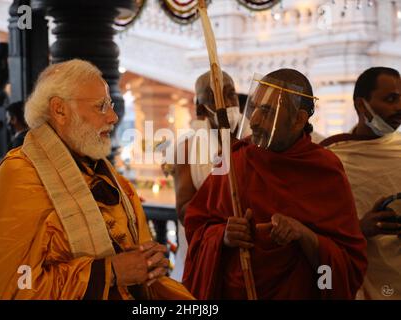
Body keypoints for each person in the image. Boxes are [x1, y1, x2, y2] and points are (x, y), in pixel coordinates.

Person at [0, 59, 194, 300]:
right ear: (59, 109)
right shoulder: (22, 174)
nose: (113, 117)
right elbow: (13, 286)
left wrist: (148, 261)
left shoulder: (108, 177)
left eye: (110, 104)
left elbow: (133, 252)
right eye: (101, 106)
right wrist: (109, 272)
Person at [183, 68, 367, 300]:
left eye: (268, 112)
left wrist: (304, 235)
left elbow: (347, 263)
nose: (255, 121)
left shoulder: (323, 169)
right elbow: (196, 224)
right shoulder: (235, 159)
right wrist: (223, 236)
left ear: (299, 119)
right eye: (255, 107)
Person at [321, 67, 401, 299]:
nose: (398, 107)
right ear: (360, 105)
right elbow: (316, 232)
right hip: (359, 282)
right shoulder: (331, 158)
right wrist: (358, 229)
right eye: (390, 99)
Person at [171, 71, 245, 281]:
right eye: (216, 98)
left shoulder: (253, 140)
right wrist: (223, 226)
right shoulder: (187, 149)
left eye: (231, 95)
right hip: (205, 254)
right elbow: (185, 211)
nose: (227, 103)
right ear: (201, 108)